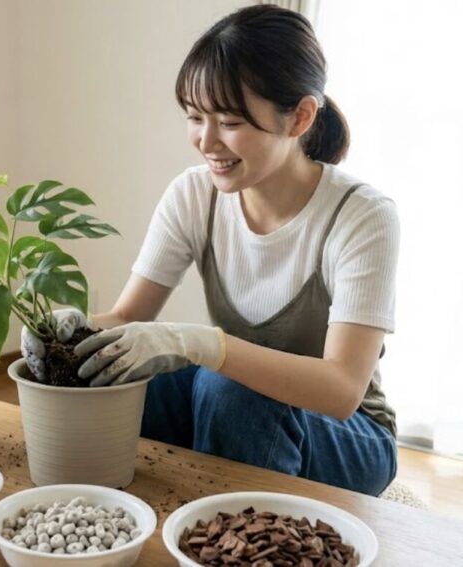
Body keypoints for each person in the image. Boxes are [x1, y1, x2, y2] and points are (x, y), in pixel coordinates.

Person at [22, 4, 398, 496]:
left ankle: (237, 534)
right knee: (110, 375)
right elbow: (128, 316)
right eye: (195, 117)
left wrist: (200, 343)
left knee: (228, 389)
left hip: (349, 438)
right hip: (237, 397)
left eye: (230, 121)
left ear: (301, 116)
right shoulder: (193, 194)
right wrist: (70, 331)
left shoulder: (361, 216)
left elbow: (342, 389)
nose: (206, 141)